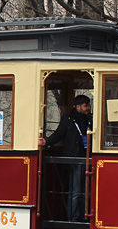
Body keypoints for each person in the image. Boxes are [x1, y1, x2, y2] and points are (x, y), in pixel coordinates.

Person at [39, 94, 92, 222]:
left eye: (88, 106)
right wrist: (46, 142)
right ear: (78, 106)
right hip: (74, 159)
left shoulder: (89, 119)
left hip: (87, 159)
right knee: (76, 191)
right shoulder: (68, 119)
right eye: (85, 106)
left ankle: (84, 217)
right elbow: (59, 134)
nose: (88, 108)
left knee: (86, 190)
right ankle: (73, 218)